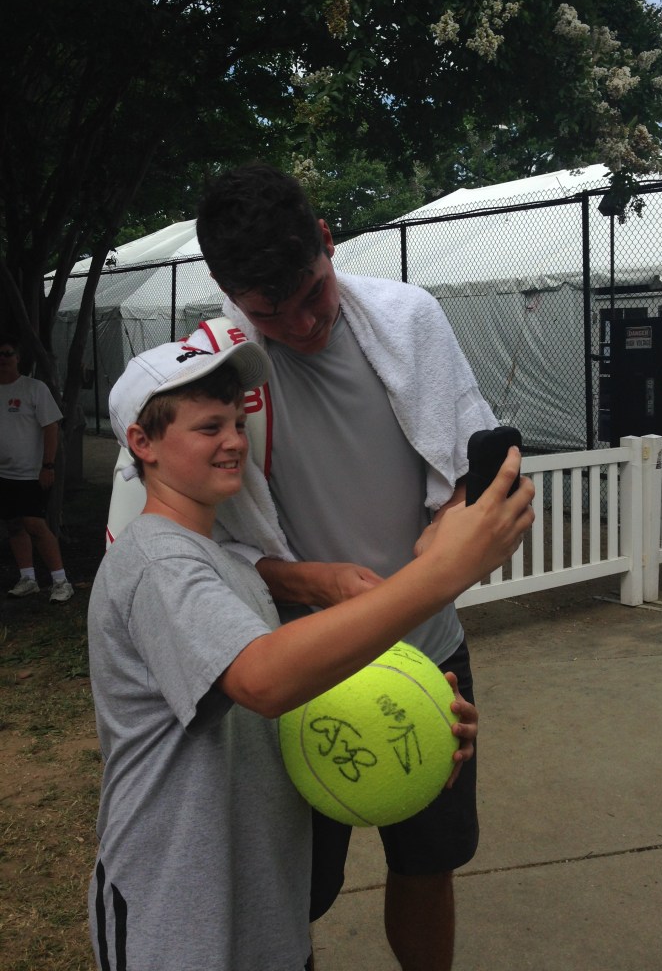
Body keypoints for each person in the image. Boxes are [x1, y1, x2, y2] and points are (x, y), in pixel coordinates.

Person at [89, 337, 534, 970]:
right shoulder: (155, 561)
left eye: (239, 423)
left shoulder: (228, 568)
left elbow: (290, 713)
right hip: (172, 911)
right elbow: (263, 679)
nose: (235, 442)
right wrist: (444, 570)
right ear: (143, 443)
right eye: (208, 426)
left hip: (262, 907)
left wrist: (421, 722)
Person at [190, 161, 506, 971]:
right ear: (228, 293)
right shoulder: (207, 373)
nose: (302, 324)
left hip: (428, 651)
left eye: (314, 293)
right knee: (292, 883)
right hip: (302, 668)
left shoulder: (410, 319)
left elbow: (465, 464)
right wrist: (304, 580)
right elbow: (195, 547)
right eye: (273, 313)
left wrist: (450, 521)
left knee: (427, 863)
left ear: (327, 244)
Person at [0, 335, 74, 603]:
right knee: (14, 524)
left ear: (18, 358)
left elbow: (51, 427)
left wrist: (48, 465)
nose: (3, 359)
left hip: (31, 473)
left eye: (7, 353)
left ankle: (60, 581)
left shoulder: (34, 389)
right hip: (4, 474)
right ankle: (28, 578)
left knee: (35, 523)